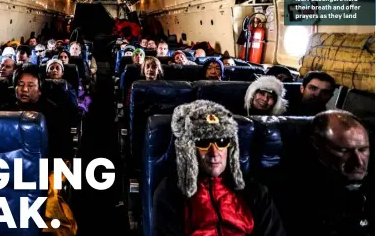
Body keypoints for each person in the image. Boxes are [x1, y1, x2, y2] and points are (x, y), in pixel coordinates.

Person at [153, 100, 286, 236]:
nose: (214, 153)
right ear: (189, 149)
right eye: (203, 142)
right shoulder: (170, 192)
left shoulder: (254, 192)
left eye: (222, 142)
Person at [276, 110, 373, 236]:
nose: (359, 162)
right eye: (344, 151)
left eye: (363, 149)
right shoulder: (294, 193)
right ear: (318, 147)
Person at [7, 64, 72, 161]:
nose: (24, 89)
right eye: (20, 84)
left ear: (40, 90)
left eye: (30, 85)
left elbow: (63, 149)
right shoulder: (5, 111)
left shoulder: (54, 113)